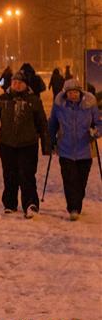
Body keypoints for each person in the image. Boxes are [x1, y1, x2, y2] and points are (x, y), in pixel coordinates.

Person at [0, 71, 50, 218]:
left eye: (20, 83)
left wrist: (46, 144)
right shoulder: (2, 99)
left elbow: (42, 123)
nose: (16, 85)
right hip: (7, 144)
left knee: (27, 175)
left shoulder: (33, 100)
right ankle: (10, 203)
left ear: (25, 85)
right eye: (14, 82)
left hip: (28, 144)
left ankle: (30, 204)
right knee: (9, 175)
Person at [49, 79, 101, 220]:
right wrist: (51, 140)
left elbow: (99, 122)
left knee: (81, 181)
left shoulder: (89, 105)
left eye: (76, 92)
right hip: (65, 149)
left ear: (81, 92)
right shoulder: (59, 105)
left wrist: (96, 132)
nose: (73, 95)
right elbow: (52, 123)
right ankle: (73, 208)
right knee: (69, 180)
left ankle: (77, 204)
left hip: (85, 150)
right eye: (71, 92)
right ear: (66, 94)